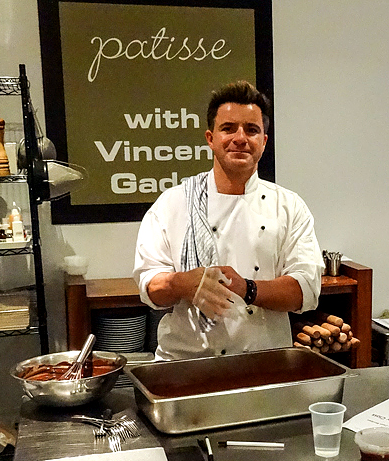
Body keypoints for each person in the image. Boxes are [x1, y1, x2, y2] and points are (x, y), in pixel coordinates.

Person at [133, 80, 323, 360]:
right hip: (185, 365)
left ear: (264, 142)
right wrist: (183, 283)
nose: (240, 138)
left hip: (264, 363)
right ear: (210, 138)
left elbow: (305, 289)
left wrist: (248, 288)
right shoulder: (173, 203)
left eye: (252, 130)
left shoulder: (289, 206)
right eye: (228, 128)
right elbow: (149, 286)